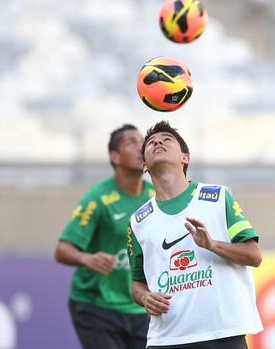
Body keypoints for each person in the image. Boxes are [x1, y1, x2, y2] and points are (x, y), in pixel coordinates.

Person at [127, 120, 263, 348]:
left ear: (185, 157)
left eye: (167, 139)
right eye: (151, 142)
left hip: (222, 334)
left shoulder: (218, 197)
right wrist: (145, 297)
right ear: (144, 166)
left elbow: (254, 255)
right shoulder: (138, 220)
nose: (158, 142)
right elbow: (138, 284)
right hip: (166, 340)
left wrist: (212, 245)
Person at [55, 124, 155, 349]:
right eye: (132, 142)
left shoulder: (155, 197)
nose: (142, 146)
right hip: (96, 307)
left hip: (140, 308)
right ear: (115, 156)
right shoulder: (97, 199)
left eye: (143, 140)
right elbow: (62, 250)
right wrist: (87, 259)